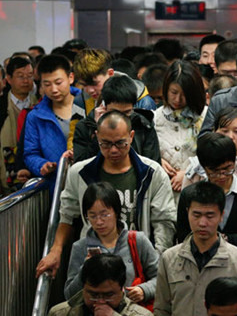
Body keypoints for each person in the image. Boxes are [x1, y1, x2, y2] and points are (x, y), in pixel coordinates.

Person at [36, 111, 176, 278]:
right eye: (106, 144)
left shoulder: (152, 173)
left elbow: (163, 223)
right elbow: (67, 216)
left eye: (120, 143)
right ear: (96, 137)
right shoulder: (80, 173)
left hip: (137, 263)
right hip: (95, 261)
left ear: (131, 136)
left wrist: (156, 263)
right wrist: (55, 250)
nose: (114, 150)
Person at [155, 181, 237, 316]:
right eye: (196, 215)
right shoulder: (169, 258)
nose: (202, 223)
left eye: (210, 216)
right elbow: (162, 309)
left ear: (221, 215)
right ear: (187, 213)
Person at [177, 133, 237, 262]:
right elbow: (183, 239)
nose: (221, 176)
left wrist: (221, 240)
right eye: (214, 171)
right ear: (203, 167)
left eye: (227, 169)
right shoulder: (189, 195)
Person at [64, 182, 158, 304]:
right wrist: (85, 269)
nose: (99, 222)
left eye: (105, 215)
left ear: (116, 212)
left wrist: (144, 290)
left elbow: (161, 278)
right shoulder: (80, 247)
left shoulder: (137, 240)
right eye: (92, 216)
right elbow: (69, 296)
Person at [73, 74, 161, 164]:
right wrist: (99, 130)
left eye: (126, 112)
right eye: (116, 113)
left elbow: (153, 167)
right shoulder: (85, 127)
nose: (121, 119)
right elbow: (81, 169)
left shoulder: (143, 125)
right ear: (104, 107)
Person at [23, 54, 85, 179]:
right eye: (47, 84)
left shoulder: (88, 105)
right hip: (56, 184)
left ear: (71, 78)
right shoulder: (35, 116)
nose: (54, 89)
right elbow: (30, 154)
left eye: (58, 82)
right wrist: (42, 165)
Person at [153, 60, 207, 201]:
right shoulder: (155, 118)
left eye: (184, 94)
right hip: (165, 195)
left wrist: (190, 173)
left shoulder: (206, 117)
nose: (177, 99)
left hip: (198, 193)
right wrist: (157, 161)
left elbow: (214, 156)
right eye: (173, 92)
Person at [48, 254, 152, 316]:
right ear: (83, 288)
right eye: (93, 295)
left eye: (108, 295)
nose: (100, 302)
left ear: (122, 289)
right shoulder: (60, 313)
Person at [73, 48, 156, 113]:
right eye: (84, 85)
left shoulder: (142, 101)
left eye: (95, 83)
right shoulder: (81, 100)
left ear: (110, 73)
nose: (90, 90)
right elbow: (75, 133)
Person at [1, 56, 38, 188]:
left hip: (31, 172)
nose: (26, 80)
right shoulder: (2, 105)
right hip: (5, 168)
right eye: (20, 76)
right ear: (9, 79)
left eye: (29, 76)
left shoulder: (40, 104)